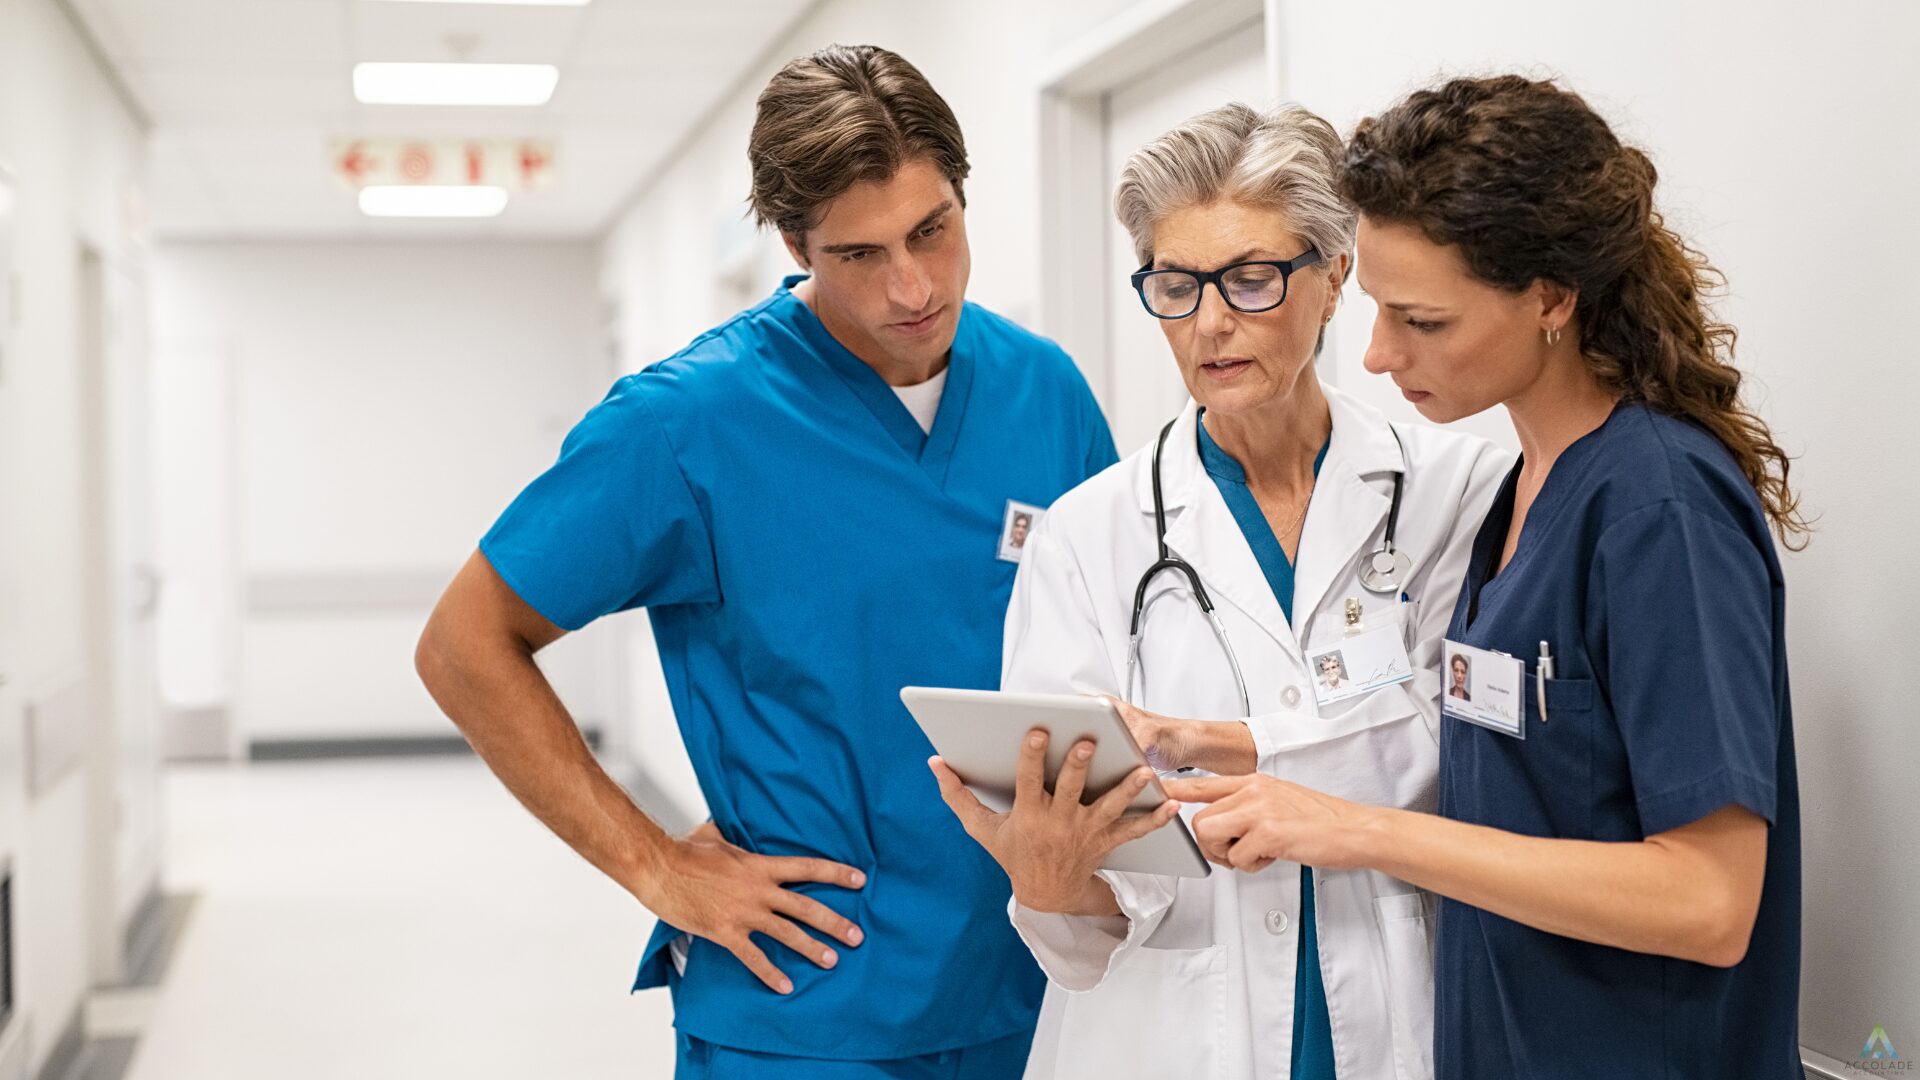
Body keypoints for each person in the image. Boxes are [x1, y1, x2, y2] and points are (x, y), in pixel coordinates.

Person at [415, 45, 1117, 1079]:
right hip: (808, 1007)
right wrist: (655, 866)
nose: (913, 285)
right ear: (794, 243)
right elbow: (463, 646)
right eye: (859, 254)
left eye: (932, 230)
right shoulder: (687, 425)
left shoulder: (1044, 391)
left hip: (1041, 986)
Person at [1167, 75, 1805, 1079]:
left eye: (1421, 321)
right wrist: (1248, 746)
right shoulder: (1521, 492)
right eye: (1376, 309)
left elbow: (1710, 901)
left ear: (1551, 297)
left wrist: (1362, 834)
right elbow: (1522, 773)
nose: (1376, 356)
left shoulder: (1656, 508)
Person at [929, 103, 1510, 1080]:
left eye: (1250, 279)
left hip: (1401, 1005)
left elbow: (1457, 753)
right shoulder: (1086, 536)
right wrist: (1054, 871)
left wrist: (1233, 760)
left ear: (1334, 278)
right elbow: (1087, 915)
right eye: (1174, 283)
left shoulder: (1456, 491)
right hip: (1166, 1029)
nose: (1208, 323)